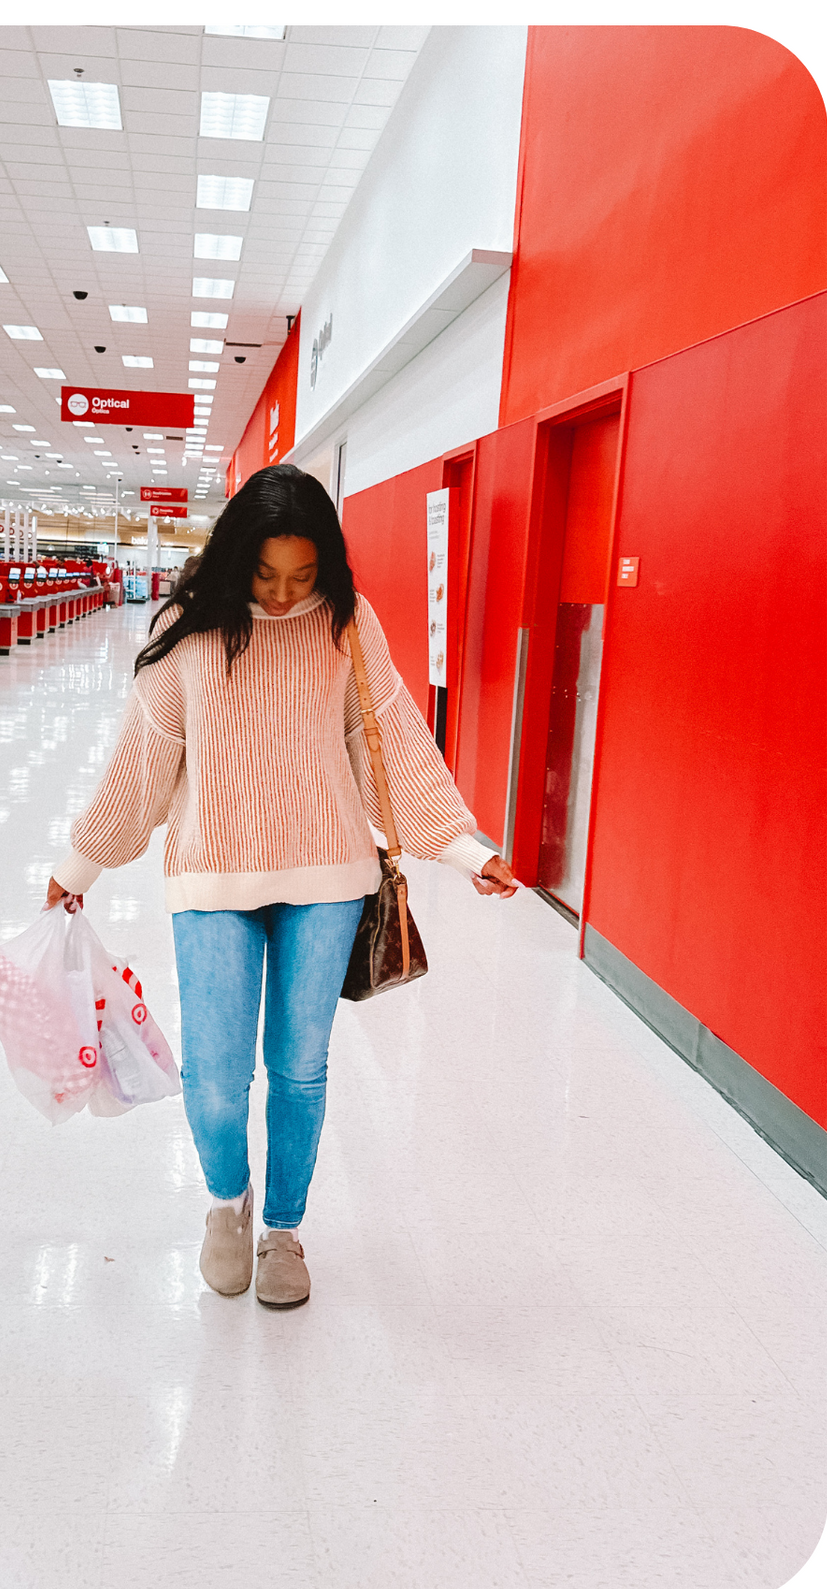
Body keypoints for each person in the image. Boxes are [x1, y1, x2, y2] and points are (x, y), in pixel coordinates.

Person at [47, 464, 517, 1308]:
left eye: (301, 576)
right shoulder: (187, 626)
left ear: (326, 568)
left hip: (327, 874)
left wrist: (460, 848)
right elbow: (142, 764)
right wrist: (76, 868)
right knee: (218, 1076)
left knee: (299, 1069)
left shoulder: (346, 621)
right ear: (236, 556)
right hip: (212, 871)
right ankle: (227, 1205)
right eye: (264, 574)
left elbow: (389, 743)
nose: (280, 594)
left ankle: (283, 1230)